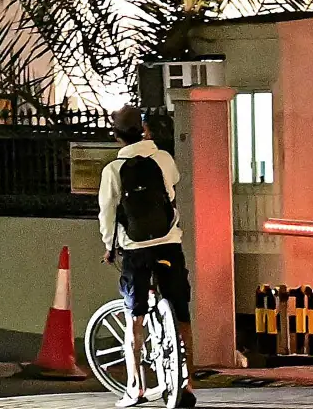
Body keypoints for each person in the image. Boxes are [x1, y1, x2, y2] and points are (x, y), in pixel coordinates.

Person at [99, 105, 195, 407]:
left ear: (117, 137)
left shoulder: (113, 170)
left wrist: (109, 246)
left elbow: (108, 215)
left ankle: (136, 388)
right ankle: (188, 385)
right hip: (169, 243)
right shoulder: (163, 159)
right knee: (182, 315)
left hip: (135, 249)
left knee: (135, 318)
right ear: (145, 130)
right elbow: (175, 181)